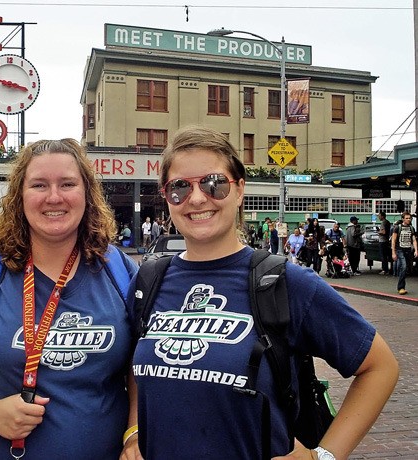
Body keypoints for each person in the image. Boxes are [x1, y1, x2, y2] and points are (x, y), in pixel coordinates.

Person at [121, 125, 398, 460]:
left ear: (239, 189)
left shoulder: (286, 281)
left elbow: (380, 366)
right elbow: (137, 366)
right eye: (180, 187)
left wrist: (324, 455)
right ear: (166, 197)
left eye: (214, 184)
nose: (196, 198)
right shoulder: (149, 281)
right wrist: (134, 433)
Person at [0, 139, 138, 459]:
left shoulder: (118, 270)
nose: (54, 197)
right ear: (20, 196)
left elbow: (140, 366)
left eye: (68, 184)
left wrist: (133, 434)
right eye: (39, 185)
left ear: (87, 194)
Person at [391, 211, 418, 295]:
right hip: (400, 249)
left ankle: (402, 285)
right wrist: (393, 252)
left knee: (405, 268)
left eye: (409, 218)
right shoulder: (397, 228)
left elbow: (413, 240)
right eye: (406, 218)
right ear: (403, 219)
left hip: (408, 249)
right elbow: (393, 240)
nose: (408, 220)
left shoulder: (411, 228)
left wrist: (416, 250)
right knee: (404, 266)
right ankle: (401, 287)